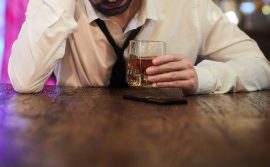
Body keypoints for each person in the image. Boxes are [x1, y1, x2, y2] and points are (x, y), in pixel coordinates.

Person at [8, 0, 270, 94]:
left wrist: (203, 77)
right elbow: (24, 81)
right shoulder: (58, 5)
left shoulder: (190, 6)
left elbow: (260, 66)